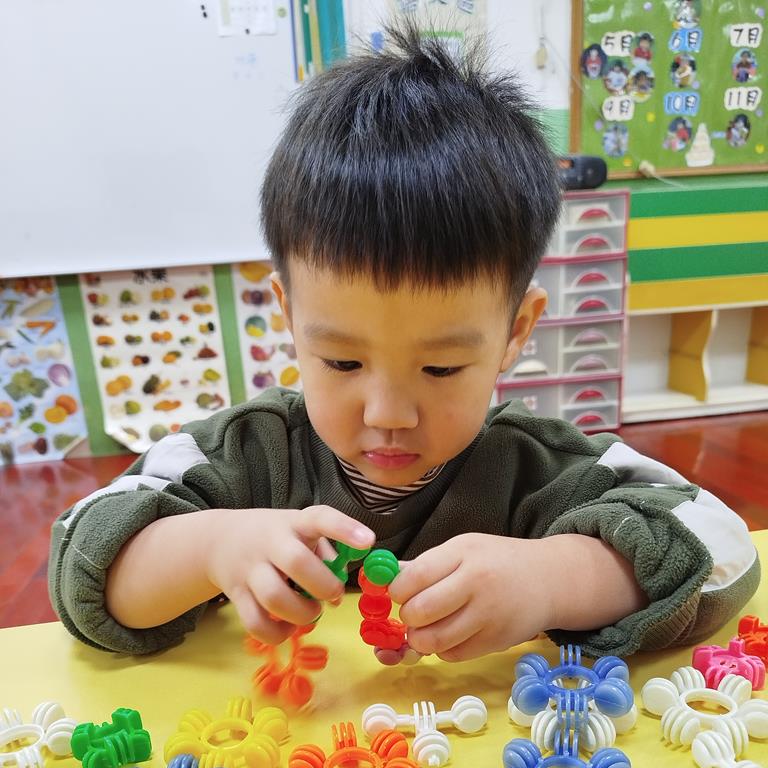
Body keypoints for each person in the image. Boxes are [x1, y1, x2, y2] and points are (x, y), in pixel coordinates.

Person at [49, 24, 759, 662]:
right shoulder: (245, 456)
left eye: (441, 367)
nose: (388, 413)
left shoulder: (537, 468)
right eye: (343, 361)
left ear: (515, 332)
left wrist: (555, 580)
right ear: (290, 317)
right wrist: (210, 548)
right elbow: (84, 555)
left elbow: (724, 548)